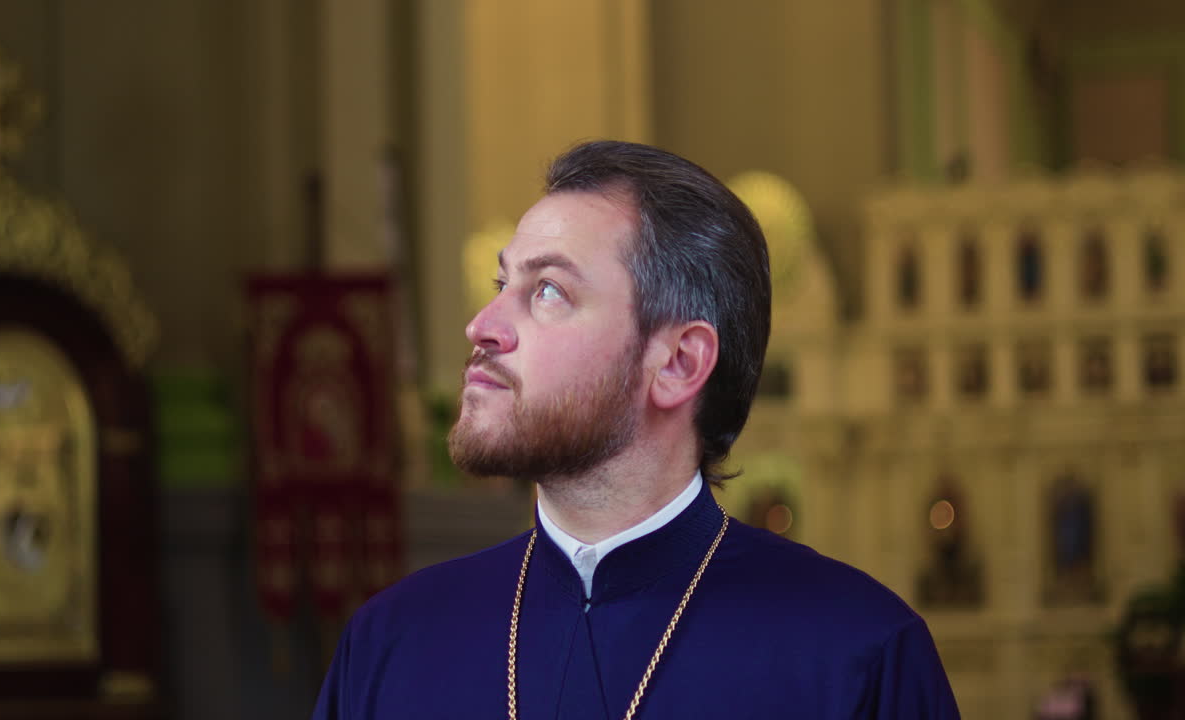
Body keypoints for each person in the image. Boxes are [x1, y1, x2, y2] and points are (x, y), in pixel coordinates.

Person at [311, 140, 959, 719]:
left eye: (548, 293)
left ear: (677, 364)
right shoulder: (392, 644)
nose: (482, 324)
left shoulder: (858, 656)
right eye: (501, 283)